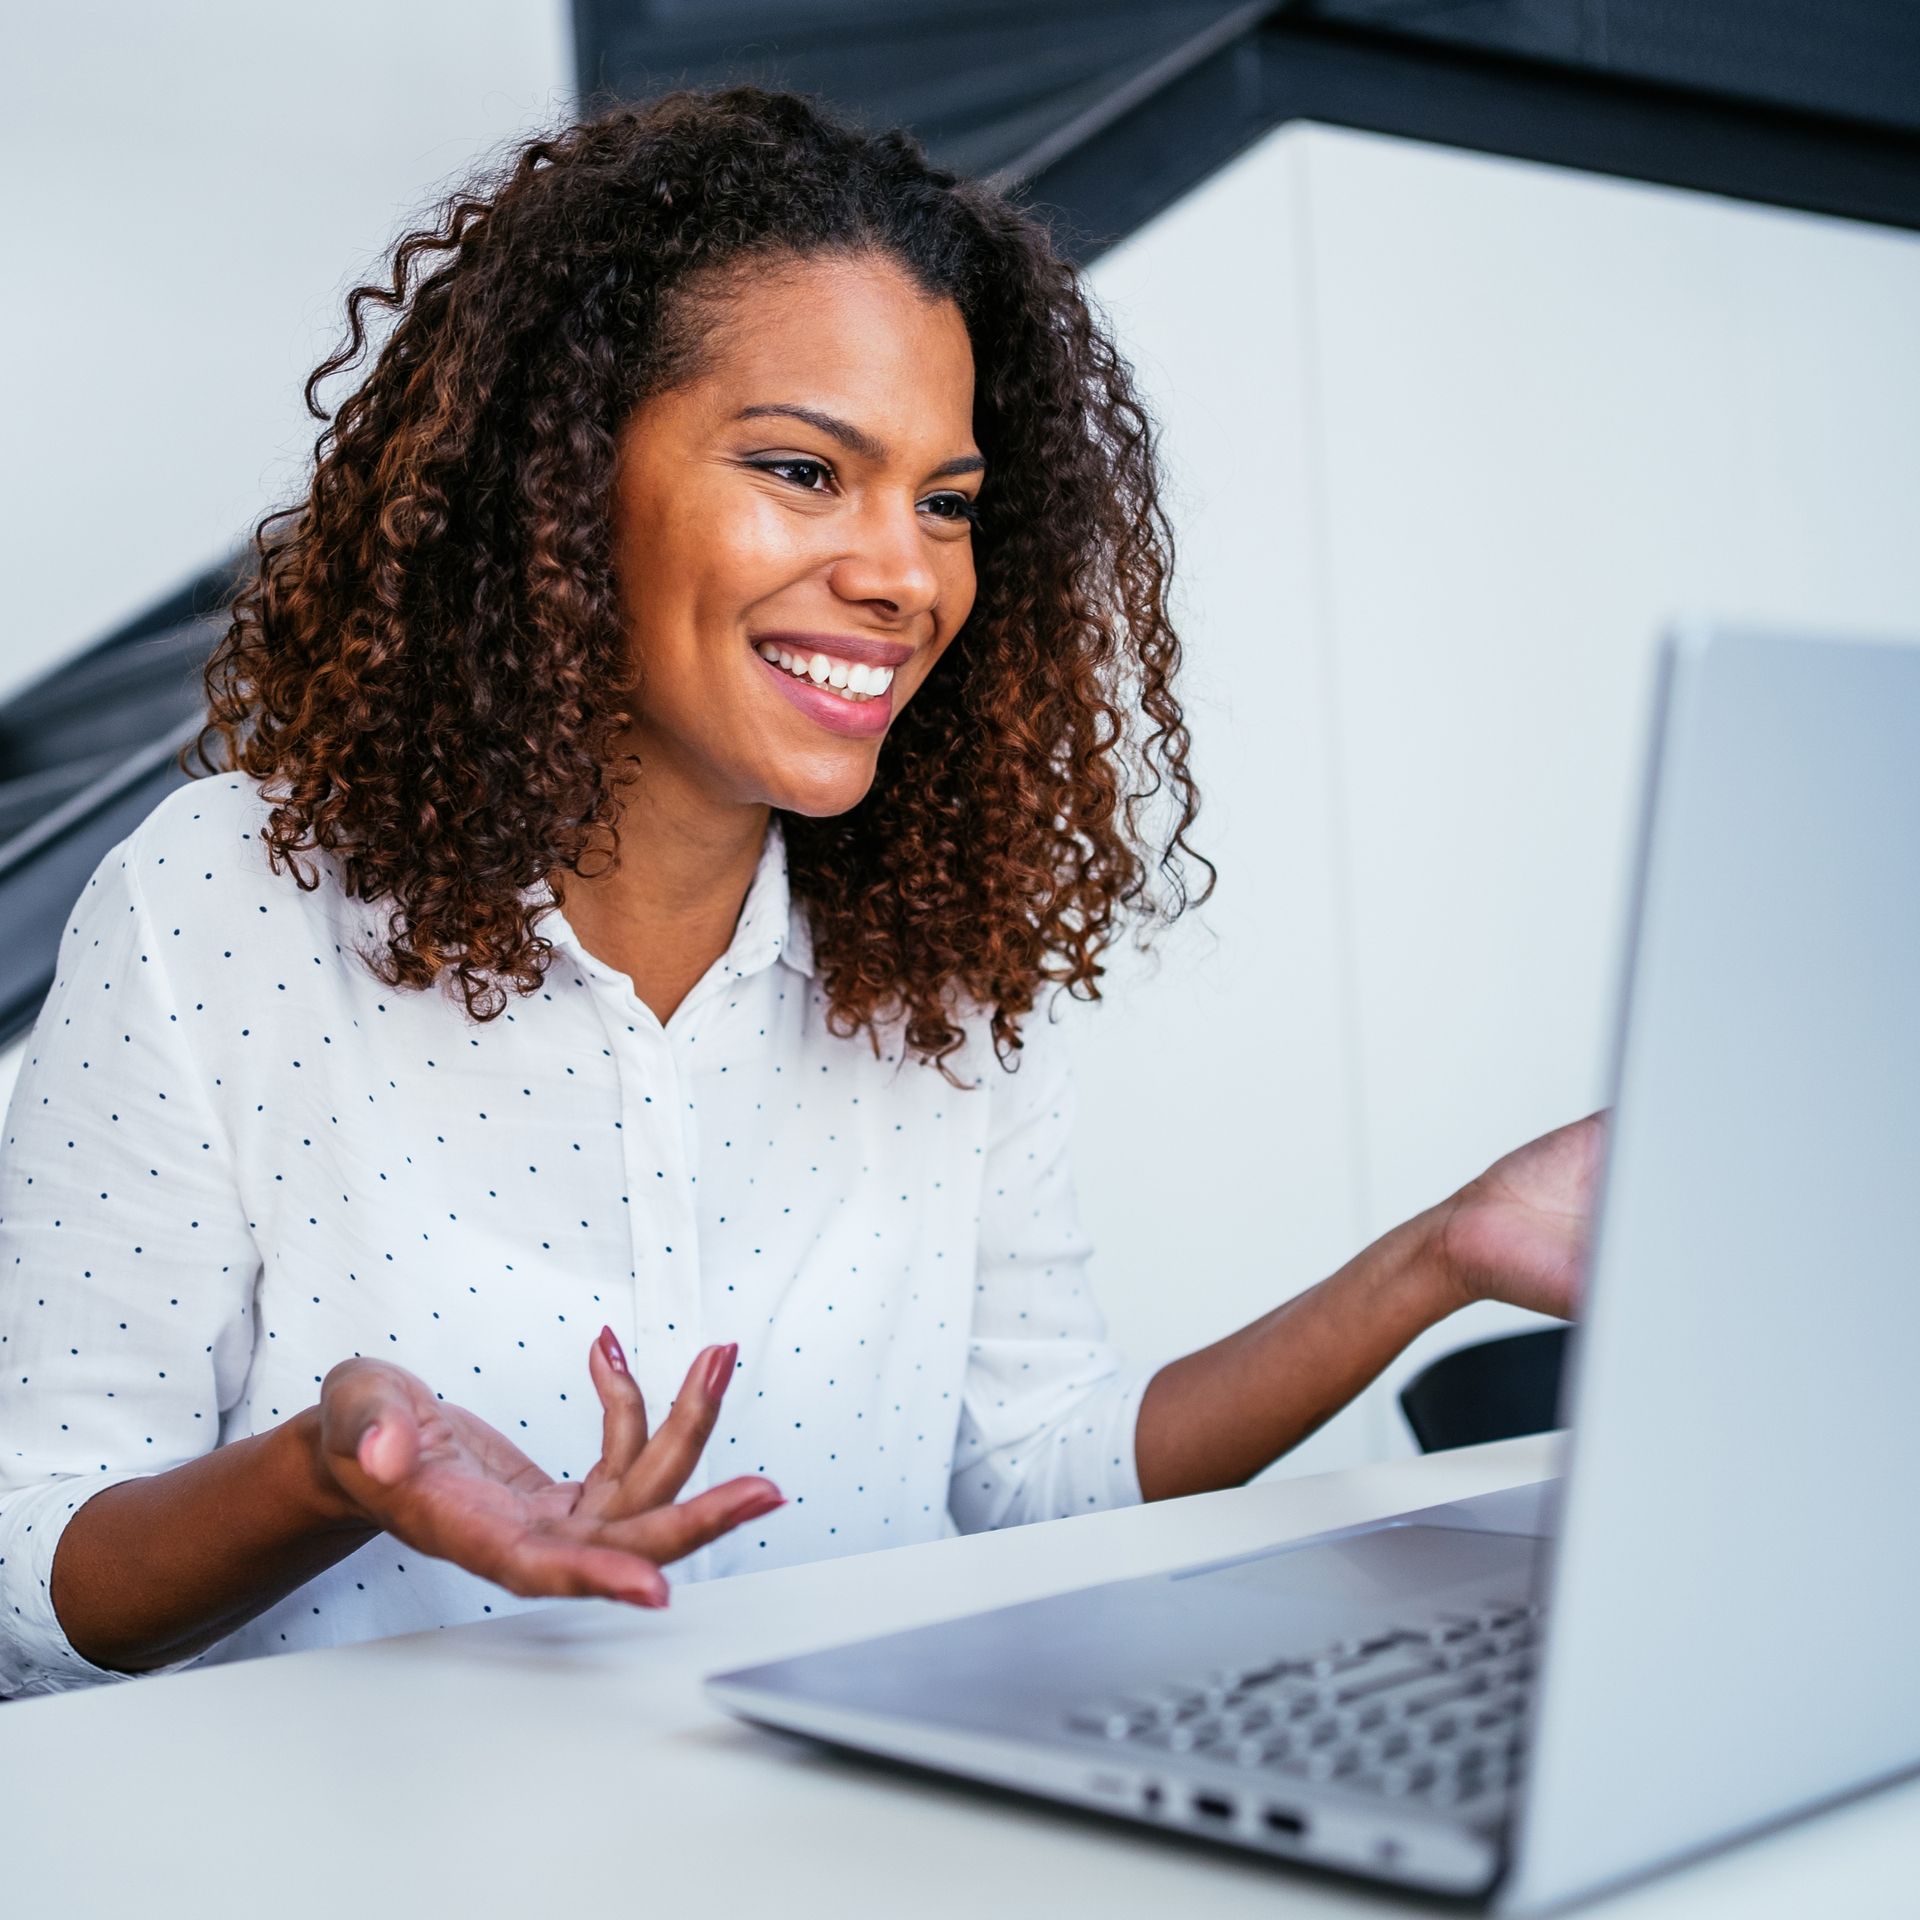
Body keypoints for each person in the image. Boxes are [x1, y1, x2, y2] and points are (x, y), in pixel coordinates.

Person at [0, 87, 1601, 1697]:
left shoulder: (937, 955)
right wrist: (330, 1474)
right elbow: (32, 1571)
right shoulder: (222, 906)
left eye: (946, 501)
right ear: (560, 481)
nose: (906, 574)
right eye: (804, 470)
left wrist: (1443, 1256)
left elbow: (1038, 1477)